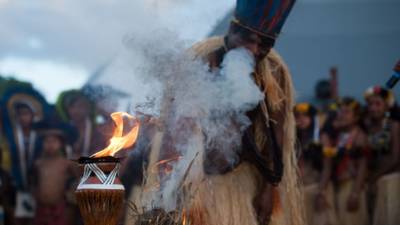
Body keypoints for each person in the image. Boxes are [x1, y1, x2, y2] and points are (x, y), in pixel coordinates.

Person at [156, 1, 302, 225]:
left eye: (264, 44)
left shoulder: (272, 73)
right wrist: (168, 188)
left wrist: (269, 189)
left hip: (242, 187)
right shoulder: (199, 65)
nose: (254, 50)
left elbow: (277, 133)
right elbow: (175, 133)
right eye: (248, 40)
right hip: (197, 187)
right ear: (232, 31)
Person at [0, 81, 49, 225]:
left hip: (37, 186)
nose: (23, 118)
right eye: (20, 114)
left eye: (26, 114)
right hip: (15, 185)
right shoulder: (10, 136)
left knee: (36, 220)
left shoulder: (41, 136)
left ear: (34, 115)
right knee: (15, 219)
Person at [317, 97, 369, 225]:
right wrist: (322, 192)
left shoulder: (360, 137)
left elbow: (363, 167)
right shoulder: (334, 137)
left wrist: (355, 193)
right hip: (336, 188)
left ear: (356, 118)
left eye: (346, 112)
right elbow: (327, 166)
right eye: (339, 111)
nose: (340, 115)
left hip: (352, 188)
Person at [363, 86, 400, 225]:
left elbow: (395, 158)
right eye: (370, 104)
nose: (373, 108)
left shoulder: (394, 125)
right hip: (375, 179)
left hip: (391, 180)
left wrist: (374, 178)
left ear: (387, 106)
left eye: (378, 104)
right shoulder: (368, 126)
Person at [294, 103, 336, 225]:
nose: (300, 119)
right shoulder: (295, 139)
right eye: (297, 116)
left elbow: (327, 168)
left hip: (317, 189)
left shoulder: (322, 138)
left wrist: (321, 193)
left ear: (313, 118)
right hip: (301, 191)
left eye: (305, 116)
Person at [31, 117, 77, 225]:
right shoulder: (38, 163)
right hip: (41, 208)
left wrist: (70, 201)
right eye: (47, 141)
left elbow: (76, 182)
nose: (50, 145)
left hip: (59, 209)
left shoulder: (66, 163)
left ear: (61, 144)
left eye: (54, 141)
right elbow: (33, 182)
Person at [56, 90, 96, 158]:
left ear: (88, 108)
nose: (75, 110)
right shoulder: (62, 130)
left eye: (80, 106)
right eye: (71, 107)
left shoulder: (98, 130)